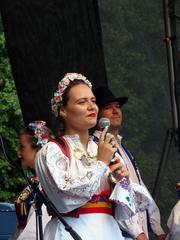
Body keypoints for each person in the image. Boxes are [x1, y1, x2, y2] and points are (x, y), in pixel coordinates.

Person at [35, 73, 151, 240]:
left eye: (93, 101)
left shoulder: (101, 148)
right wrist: (101, 163)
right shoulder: (52, 151)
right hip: (71, 231)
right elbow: (64, 198)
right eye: (82, 102)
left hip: (109, 232)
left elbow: (127, 210)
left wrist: (122, 182)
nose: (91, 107)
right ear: (63, 111)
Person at [92, 87, 166, 240]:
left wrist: (156, 227)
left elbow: (138, 185)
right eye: (108, 107)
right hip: (123, 233)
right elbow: (118, 193)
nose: (115, 111)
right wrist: (137, 233)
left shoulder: (121, 146)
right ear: (97, 115)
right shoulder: (97, 147)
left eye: (117, 107)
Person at [12, 121, 52, 240]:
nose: (19, 153)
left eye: (22, 147)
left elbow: (34, 232)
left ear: (38, 148)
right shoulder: (36, 182)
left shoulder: (49, 184)